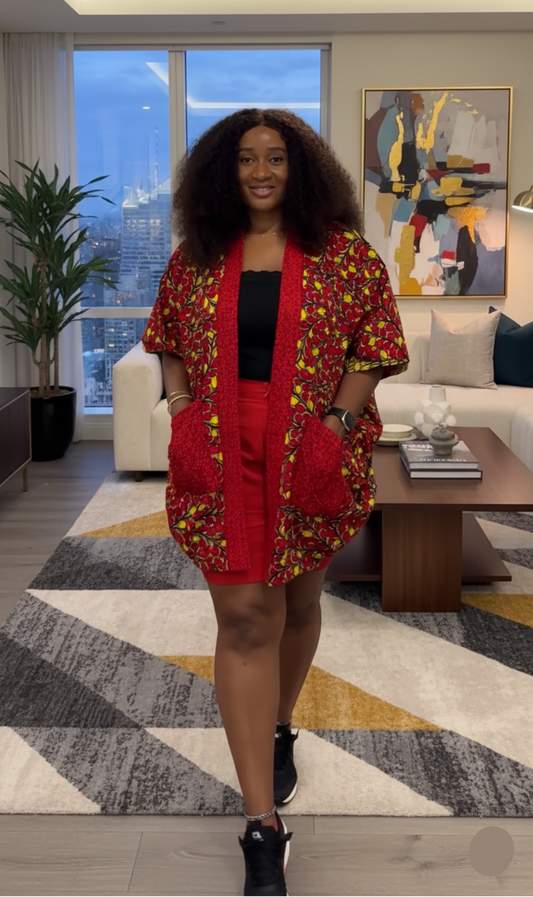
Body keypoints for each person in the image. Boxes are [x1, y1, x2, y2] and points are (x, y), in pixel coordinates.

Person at [142, 108, 409, 897]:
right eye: (246, 160)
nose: (260, 172)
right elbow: (166, 338)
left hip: (308, 453)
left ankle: (279, 723)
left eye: (276, 160)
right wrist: (184, 411)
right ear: (224, 172)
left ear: (301, 170)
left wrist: (335, 420)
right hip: (222, 451)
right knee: (243, 619)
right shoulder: (195, 257)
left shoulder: (341, 256)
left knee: (295, 606)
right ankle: (263, 828)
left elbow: (377, 341)